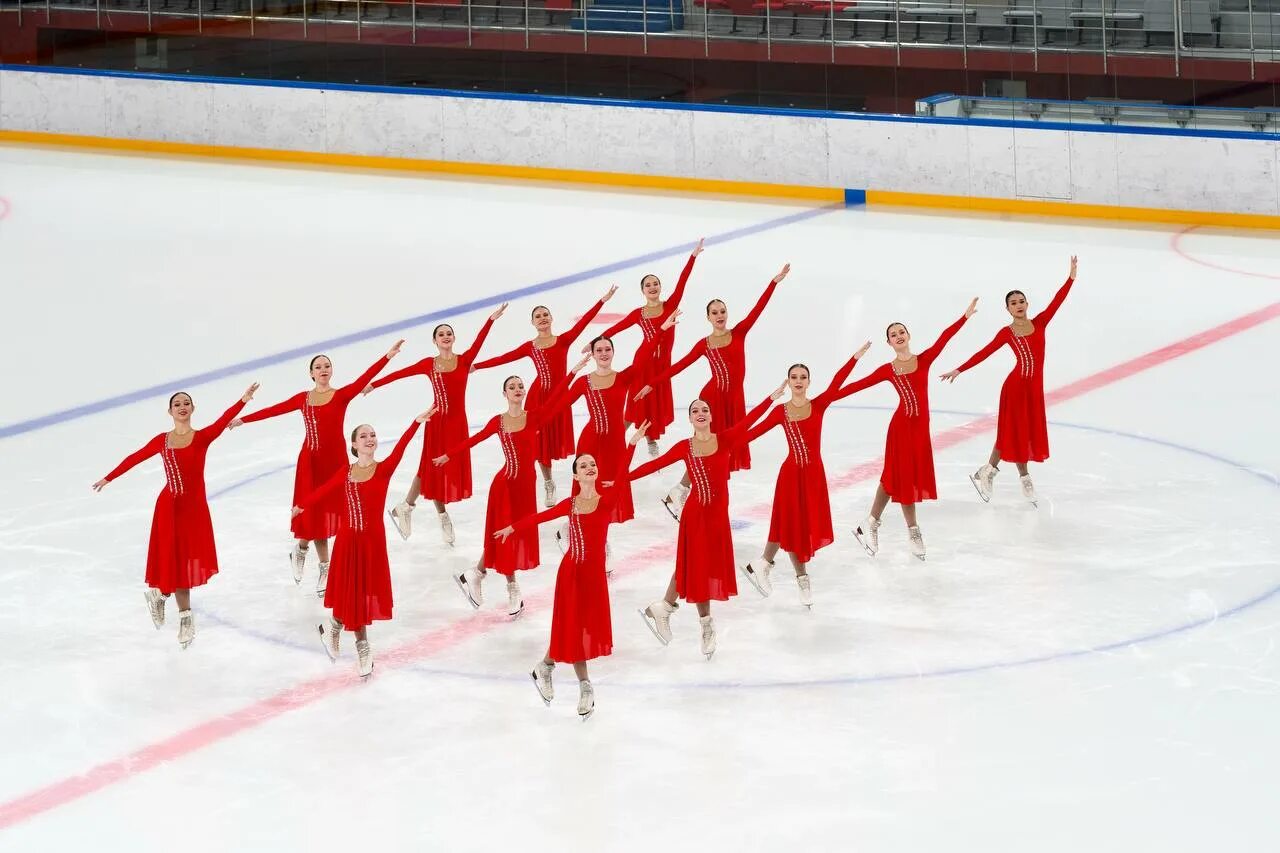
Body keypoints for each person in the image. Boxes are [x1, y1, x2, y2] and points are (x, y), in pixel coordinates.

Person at [495, 423, 649, 720]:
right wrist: (512, 528)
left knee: (579, 628)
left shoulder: (606, 501)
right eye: (583, 465)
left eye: (592, 464)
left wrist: (632, 443)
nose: (590, 467)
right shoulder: (570, 505)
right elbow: (540, 516)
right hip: (571, 573)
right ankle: (585, 686)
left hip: (594, 575)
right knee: (574, 628)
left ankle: (546, 665)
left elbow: (621, 474)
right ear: (576, 475)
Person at [93, 383, 261, 648]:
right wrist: (108, 477)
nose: (182, 407)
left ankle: (163, 598)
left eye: (186, 403)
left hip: (193, 509)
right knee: (174, 560)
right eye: (177, 404)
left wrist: (244, 400)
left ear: (193, 408)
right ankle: (183, 616)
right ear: (170, 411)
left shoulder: (203, 437)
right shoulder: (162, 440)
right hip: (169, 508)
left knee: (187, 563)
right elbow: (135, 457)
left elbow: (222, 421)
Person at [230, 342, 401, 593]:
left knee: (334, 513)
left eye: (327, 366)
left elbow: (366, 377)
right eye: (318, 367)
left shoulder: (341, 395)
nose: (323, 369)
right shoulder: (303, 399)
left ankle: (301, 549)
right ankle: (323, 566)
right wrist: (244, 419)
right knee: (315, 513)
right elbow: (275, 410)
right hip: (310, 462)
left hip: (336, 464)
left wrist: (387, 356)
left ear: (331, 371)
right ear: (311, 373)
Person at [630, 385, 785, 658]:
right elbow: (651, 467)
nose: (700, 413)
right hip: (696, 515)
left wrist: (771, 398)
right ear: (689, 419)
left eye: (704, 410)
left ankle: (664, 606)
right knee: (698, 565)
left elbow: (751, 420)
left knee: (693, 563)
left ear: (711, 416)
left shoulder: (725, 439)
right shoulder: (685, 447)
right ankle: (706, 625)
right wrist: (619, 478)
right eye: (695, 411)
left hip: (718, 516)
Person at [635, 263, 790, 519]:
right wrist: (652, 383)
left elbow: (757, 310)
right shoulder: (705, 344)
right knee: (708, 450)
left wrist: (773, 282)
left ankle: (684, 491)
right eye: (714, 312)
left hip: (734, 401)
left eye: (722, 311)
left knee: (717, 453)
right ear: (708, 318)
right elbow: (680, 365)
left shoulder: (739, 333)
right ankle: (688, 492)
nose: (719, 315)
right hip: (713, 401)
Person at [293, 409, 436, 679]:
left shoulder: (384, 469)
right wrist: (302, 506)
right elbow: (322, 491)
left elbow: (403, 447)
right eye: (363, 435)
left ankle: (335, 627)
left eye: (372, 435)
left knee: (361, 594)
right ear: (354, 444)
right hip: (347, 542)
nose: (369, 438)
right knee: (352, 593)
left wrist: (415, 423)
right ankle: (362, 647)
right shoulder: (345, 473)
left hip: (372, 543)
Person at [437, 361, 585, 617]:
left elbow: (561, 399)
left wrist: (572, 372)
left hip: (526, 487)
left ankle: (476, 573)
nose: (517, 389)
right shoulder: (499, 422)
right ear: (504, 394)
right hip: (504, 485)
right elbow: (474, 439)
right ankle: (512, 588)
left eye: (520, 386)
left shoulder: (535, 416)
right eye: (512, 387)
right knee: (505, 537)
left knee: (513, 534)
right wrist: (448, 456)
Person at [838, 299, 979, 560]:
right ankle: (912, 531)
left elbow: (943, 339)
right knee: (900, 479)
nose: (898, 336)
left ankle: (870, 523)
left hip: (920, 429)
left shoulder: (924, 360)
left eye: (901, 332)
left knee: (895, 478)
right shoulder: (888, 370)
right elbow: (855, 386)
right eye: (893, 335)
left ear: (908, 335)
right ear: (889, 343)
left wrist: (965, 317)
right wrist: (828, 395)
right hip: (901, 428)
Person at [741, 342, 871, 607]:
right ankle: (801, 578)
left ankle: (764, 563)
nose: (798, 381)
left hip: (813, 475)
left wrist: (854, 358)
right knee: (791, 526)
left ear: (809, 382)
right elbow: (750, 434)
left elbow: (837, 384)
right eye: (793, 377)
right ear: (787, 382)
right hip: (790, 475)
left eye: (802, 377)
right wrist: (768, 401)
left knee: (789, 525)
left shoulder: (819, 404)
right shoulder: (781, 411)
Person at [940, 257, 1077, 506]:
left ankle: (987, 471)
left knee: (1013, 434)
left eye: (1021, 301)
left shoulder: (1040, 323)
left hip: (1033, 390)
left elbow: (1058, 301)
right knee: (1014, 433)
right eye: (1013, 303)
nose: (1018, 305)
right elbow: (984, 352)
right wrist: (960, 369)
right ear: (1008, 309)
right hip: (1014, 388)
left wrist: (1070, 278)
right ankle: (1024, 479)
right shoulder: (1007, 333)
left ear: (1027, 304)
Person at [368, 306, 505, 545]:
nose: (445, 336)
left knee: (435, 468)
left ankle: (406, 506)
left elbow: (479, 343)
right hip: (436, 421)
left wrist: (490, 320)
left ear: (453, 338)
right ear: (434, 340)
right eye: (441, 334)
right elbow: (401, 373)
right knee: (432, 468)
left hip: (457, 423)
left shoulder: (464, 360)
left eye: (448, 333)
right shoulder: (429, 364)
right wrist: (374, 384)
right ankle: (438, 515)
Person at [471, 287, 617, 506]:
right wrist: (477, 366)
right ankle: (548, 482)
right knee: (541, 444)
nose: (542, 319)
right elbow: (505, 357)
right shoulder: (531, 346)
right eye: (537, 316)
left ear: (551, 319)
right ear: (533, 323)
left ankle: (588, 479)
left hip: (560, 395)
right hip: (538, 397)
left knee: (557, 441)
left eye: (545, 315)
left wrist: (602, 301)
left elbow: (583, 323)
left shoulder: (563, 340)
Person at [595, 239, 703, 458]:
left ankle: (651, 438)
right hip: (643, 363)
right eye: (648, 285)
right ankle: (614, 437)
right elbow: (617, 328)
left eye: (656, 284)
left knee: (653, 404)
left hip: (662, 365)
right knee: (636, 403)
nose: (653, 287)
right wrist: (596, 341)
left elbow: (683, 282)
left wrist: (692, 257)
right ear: (643, 290)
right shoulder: (639, 313)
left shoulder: (670, 306)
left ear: (660, 287)